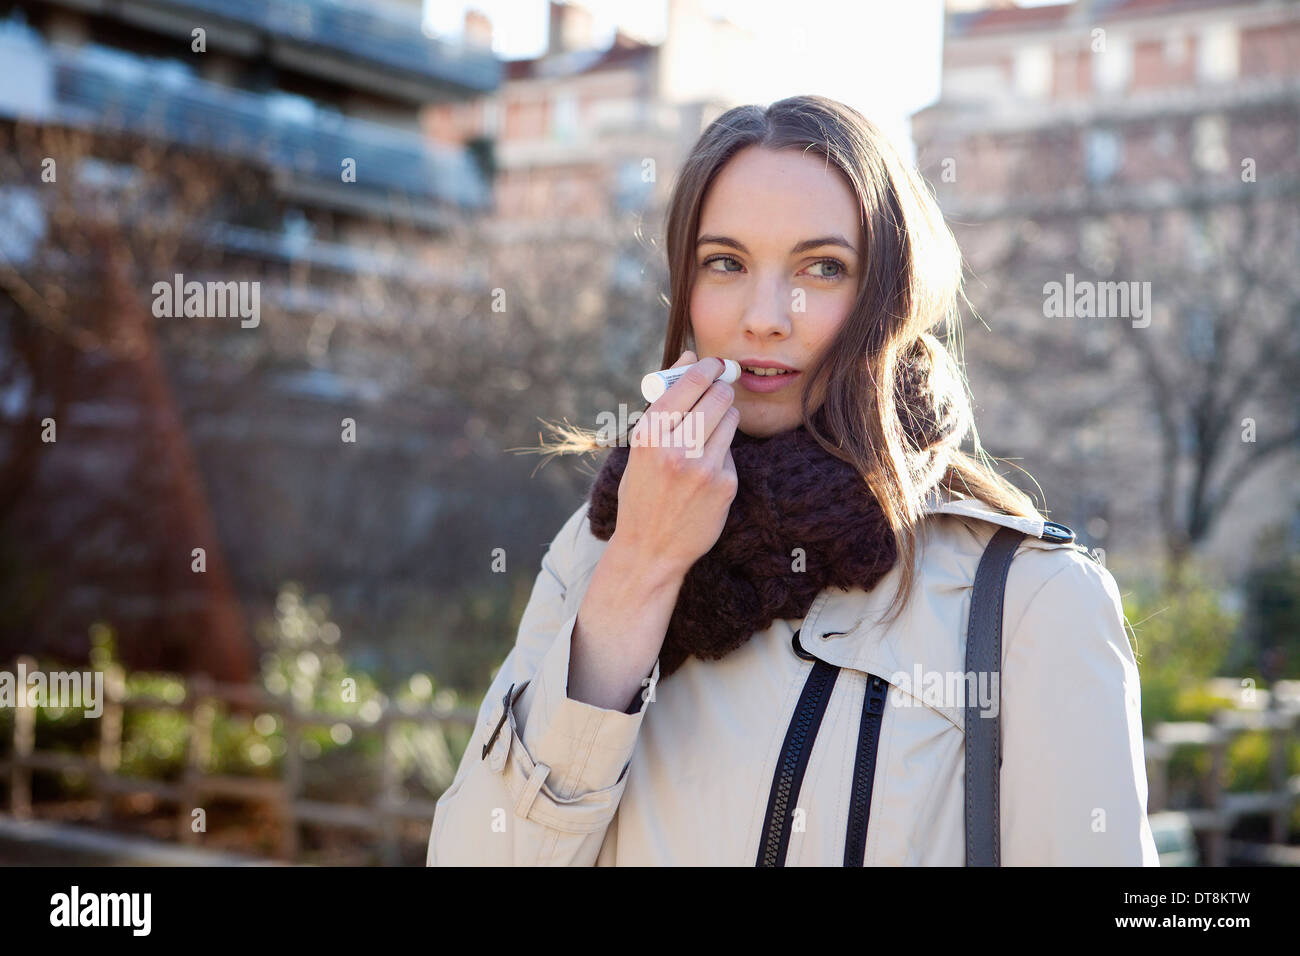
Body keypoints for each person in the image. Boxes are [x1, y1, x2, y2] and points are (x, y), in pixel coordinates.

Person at [427, 94, 1159, 866]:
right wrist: (643, 564)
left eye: (822, 267)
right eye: (726, 263)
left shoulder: (1032, 601)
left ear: (891, 295)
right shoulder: (599, 545)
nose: (765, 316)